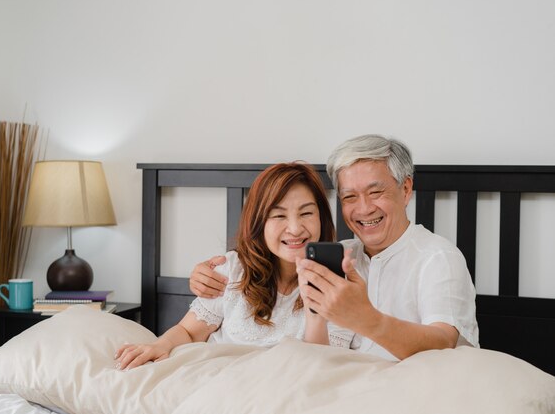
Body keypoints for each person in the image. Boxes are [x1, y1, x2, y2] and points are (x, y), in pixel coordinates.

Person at [189, 135, 479, 361]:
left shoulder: (437, 258)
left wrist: (367, 320)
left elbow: (443, 344)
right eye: (349, 196)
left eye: (375, 192)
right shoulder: (337, 256)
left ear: (405, 190)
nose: (364, 209)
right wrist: (208, 275)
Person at [115, 162, 356, 370]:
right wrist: (160, 345)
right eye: (279, 216)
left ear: (321, 219)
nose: (294, 228)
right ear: (259, 223)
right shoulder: (232, 268)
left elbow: (322, 365)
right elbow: (189, 332)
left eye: (306, 213)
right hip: (216, 380)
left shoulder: (339, 282)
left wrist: (316, 310)